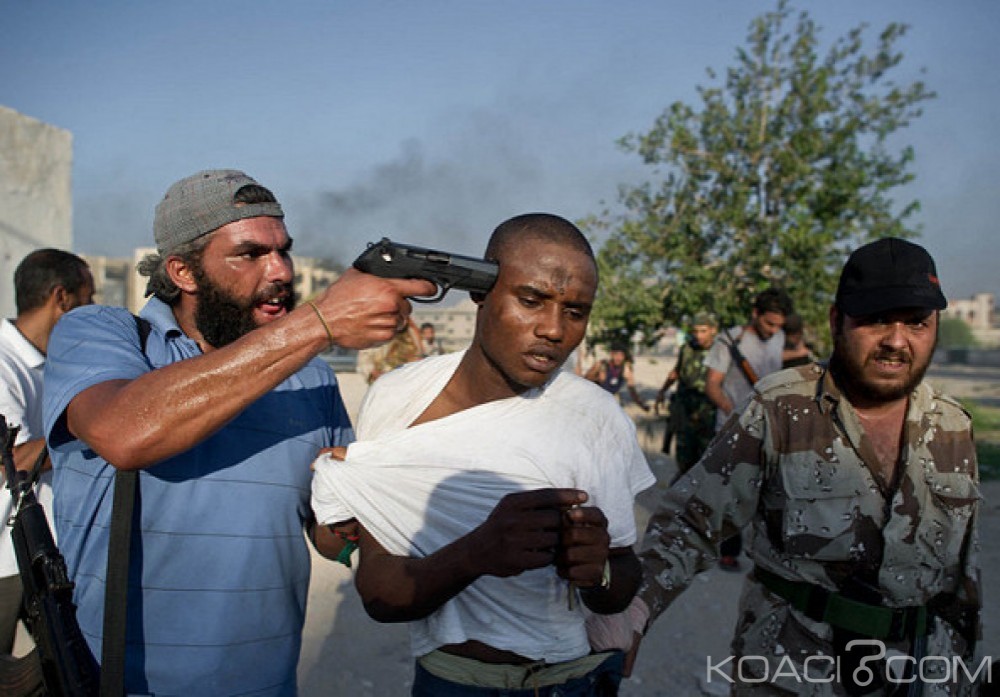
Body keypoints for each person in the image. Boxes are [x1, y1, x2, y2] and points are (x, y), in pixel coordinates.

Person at [41, 169, 434, 696]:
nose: (280, 271)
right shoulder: (101, 334)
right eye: (250, 254)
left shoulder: (311, 374)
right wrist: (319, 321)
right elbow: (124, 433)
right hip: (119, 685)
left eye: (283, 251)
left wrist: (362, 508)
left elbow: (326, 535)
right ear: (182, 271)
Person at [612, 238, 981, 695]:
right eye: (875, 319)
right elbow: (690, 522)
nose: (896, 340)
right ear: (836, 321)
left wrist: (967, 672)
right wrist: (636, 609)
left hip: (921, 675)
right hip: (795, 674)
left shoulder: (952, 426)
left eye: (917, 322)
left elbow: (964, 574)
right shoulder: (779, 408)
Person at [311, 213, 656, 696]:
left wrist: (595, 569)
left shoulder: (594, 417)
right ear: (481, 291)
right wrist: (478, 553)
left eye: (576, 312)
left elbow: (619, 579)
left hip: (571, 679)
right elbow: (381, 594)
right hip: (453, 681)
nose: (553, 329)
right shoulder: (399, 398)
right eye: (531, 301)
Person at [0, 249, 93, 657]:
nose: (92, 308)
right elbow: (14, 462)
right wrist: (95, 427)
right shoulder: (3, 364)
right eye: (88, 298)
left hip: (44, 552)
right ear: (61, 298)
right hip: (5, 561)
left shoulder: (50, 361)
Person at [704, 287, 793, 569]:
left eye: (778, 325)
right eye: (769, 323)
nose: (773, 330)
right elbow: (712, 385)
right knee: (733, 494)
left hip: (772, 426)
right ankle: (728, 550)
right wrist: (735, 413)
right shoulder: (730, 339)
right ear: (755, 314)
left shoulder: (779, 337)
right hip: (734, 427)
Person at [653, 312, 717, 483]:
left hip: (708, 413)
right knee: (684, 457)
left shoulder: (720, 351)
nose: (698, 335)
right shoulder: (687, 348)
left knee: (707, 459)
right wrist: (662, 391)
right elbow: (676, 372)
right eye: (695, 331)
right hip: (684, 410)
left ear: (713, 330)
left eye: (703, 331)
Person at [586, 343, 650, 412]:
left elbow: (632, 390)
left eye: (621, 355)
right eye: (616, 355)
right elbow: (585, 381)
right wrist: (597, 378)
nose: (618, 358)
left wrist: (641, 405)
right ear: (611, 354)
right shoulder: (601, 364)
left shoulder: (626, 369)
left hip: (612, 398)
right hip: (595, 397)